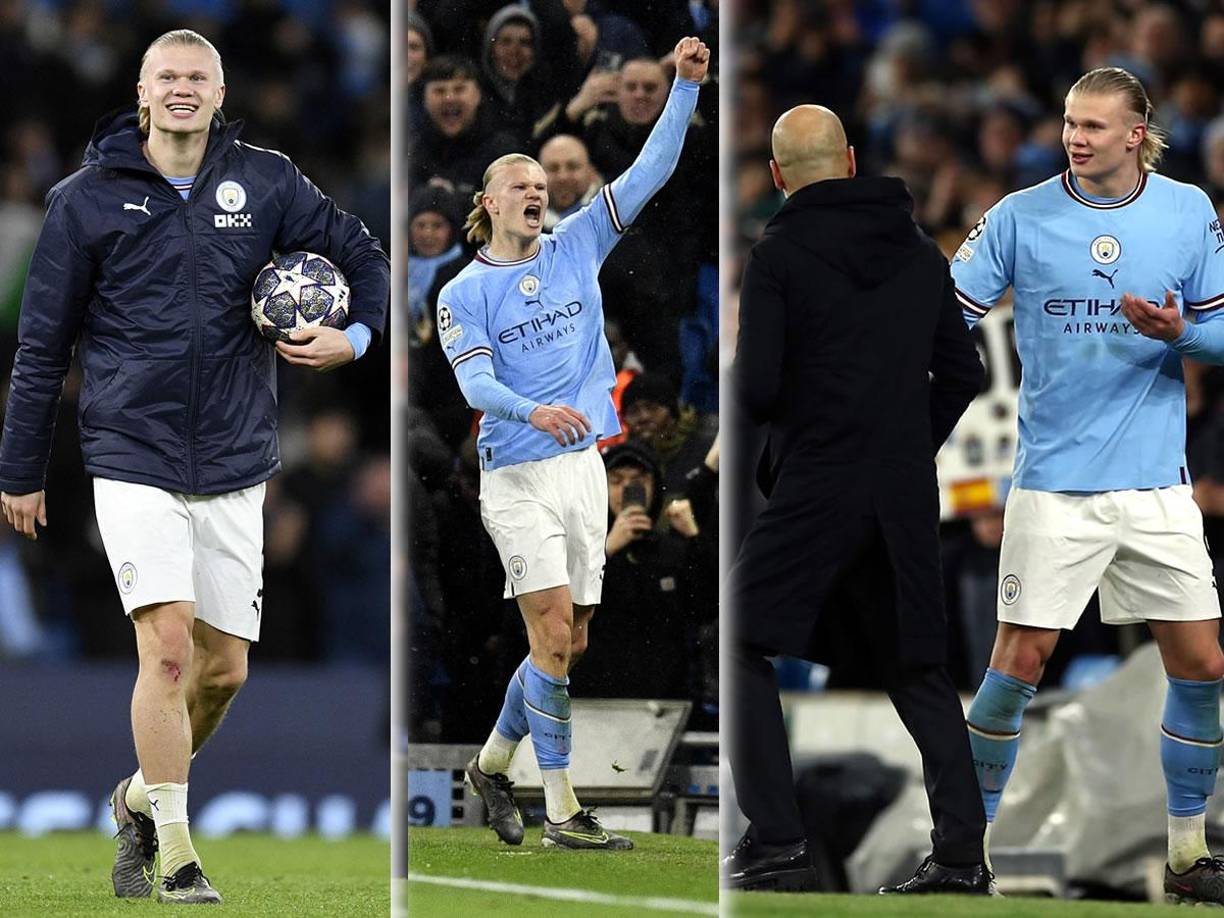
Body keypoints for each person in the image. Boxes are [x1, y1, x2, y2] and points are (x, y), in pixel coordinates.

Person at [0, 30, 389, 904]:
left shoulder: (270, 181)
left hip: (237, 457)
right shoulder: (83, 200)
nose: (183, 90)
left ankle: (136, 799)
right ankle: (176, 853)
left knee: (223, 672)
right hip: (131, 454)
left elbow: (367, 257)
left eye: (198, 78)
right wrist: (19, 466)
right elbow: (40, 345)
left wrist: (353, 336)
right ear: (142, 92)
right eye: (167, 77)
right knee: (167, 650)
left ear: (220, 94)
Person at [952, 66, 1224, 906]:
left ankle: (1186, 855)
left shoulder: (1189, 212)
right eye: (1071, 122)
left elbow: (1219, 334)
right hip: (1054, 483)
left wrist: (1182, 333)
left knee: (1203, 664)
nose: (1076, 137)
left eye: (1096, 127)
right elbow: (945, 314)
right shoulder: (1019, 215)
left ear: (1137, 133)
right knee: (1016, 666)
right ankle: (966, 849)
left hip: (1156, 486)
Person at [438, 35, 710, 851]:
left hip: (583, 471)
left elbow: (651, 172)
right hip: (517, 473)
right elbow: (476, 388)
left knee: (571, 639)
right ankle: (559, 811)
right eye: (517, 185)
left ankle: (488, 765)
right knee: (551, 636)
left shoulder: (578, 244)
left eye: (538, 185)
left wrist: (686, 90)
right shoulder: (464, 293)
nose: (534, 193)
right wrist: (533, 410)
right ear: (487, 204)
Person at [724, 104, 988, 893]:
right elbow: (965, 372)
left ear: (777, 176)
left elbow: (761, 385)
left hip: (819, 480)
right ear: (846, 159)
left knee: (739, 642)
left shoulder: (778, 253)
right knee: (918, 669)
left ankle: (776, 841)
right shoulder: (917, 249)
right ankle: (962, 857)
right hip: (903, 488)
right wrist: (907, 442)